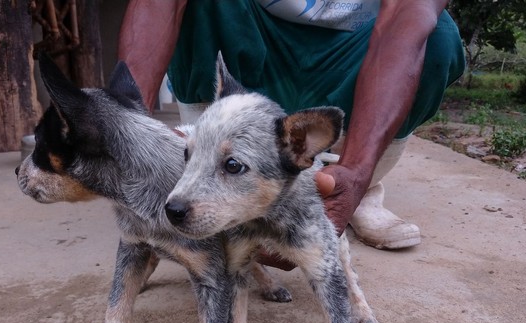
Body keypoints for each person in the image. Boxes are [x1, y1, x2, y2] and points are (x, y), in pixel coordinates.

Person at [118, 0, 465, 251]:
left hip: (357, 44)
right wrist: (132, 134)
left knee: (438, 38)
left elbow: (407, 14)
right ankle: (204, 176)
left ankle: (356, 186)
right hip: (250, 27)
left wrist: (358, 170)